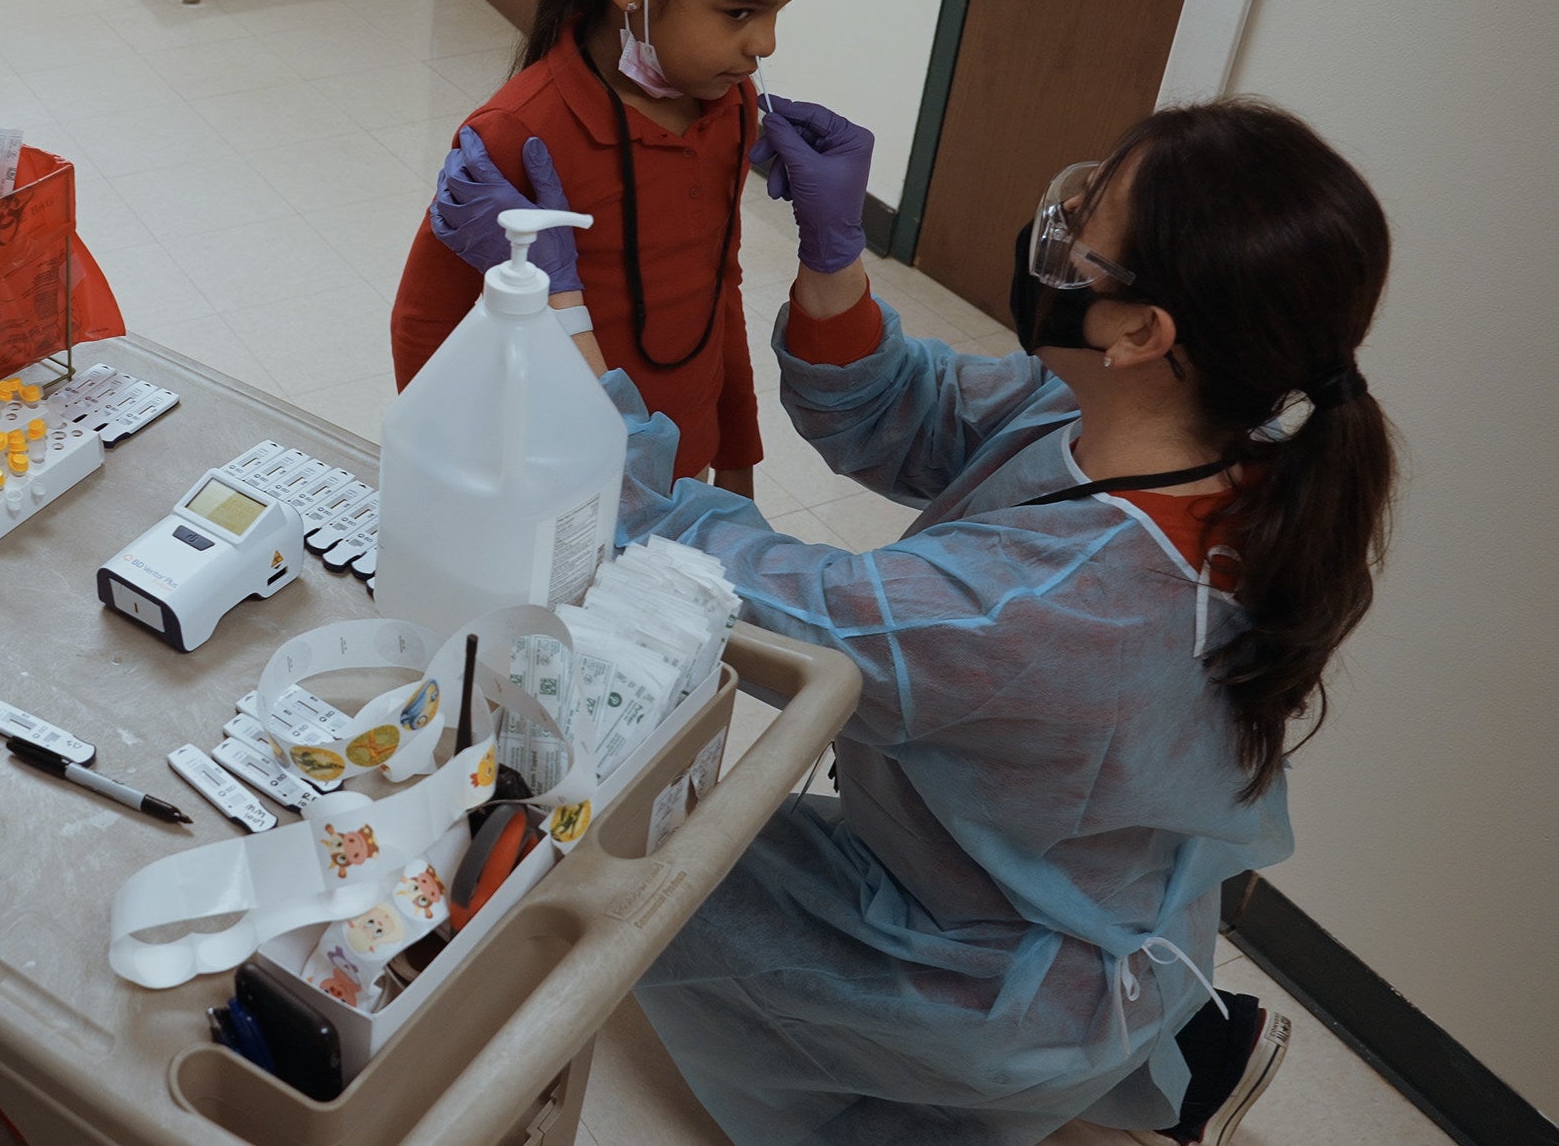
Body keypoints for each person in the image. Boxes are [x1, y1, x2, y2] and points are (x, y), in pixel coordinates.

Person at [432, 99, 1393, 1144]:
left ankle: (1017, 1094)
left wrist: (555, 317)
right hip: (1063, 880)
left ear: (1141, 332)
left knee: (615, 877)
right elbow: (902, 407)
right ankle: (1157, 1044)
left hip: (987, 978)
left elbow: (719, 576)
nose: (1057, 231)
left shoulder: (1046, 605)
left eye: (1088, 229)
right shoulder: (1197, 433)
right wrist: (834, 249)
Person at [387, 0, 872, 496]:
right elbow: (423, 323)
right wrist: (465, 483)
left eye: (777, 13)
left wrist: (735, 454)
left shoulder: (729, 107)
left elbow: (718, 288)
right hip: (545, 485)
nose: (763, 44)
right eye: (739, 11)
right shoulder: (518, 136)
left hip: (684, 474)